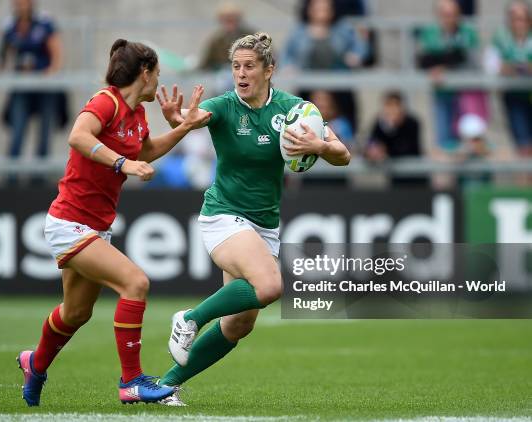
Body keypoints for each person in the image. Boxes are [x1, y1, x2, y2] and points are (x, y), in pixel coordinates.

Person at [155, 32, 350, 405]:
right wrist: (181, 119)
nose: (240, 74)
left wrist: (320, 146)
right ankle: (189, 319)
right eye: (235, 67)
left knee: (238, 324)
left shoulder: (294, 111)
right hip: (223, 216)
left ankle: (165, 386)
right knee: (270, 287)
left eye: (248, 67)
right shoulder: (226, 105)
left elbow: (344, 154)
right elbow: (197, 117)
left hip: (265, 225)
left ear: (269, 70)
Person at [16, 38, 210, 407]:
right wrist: (123, 164)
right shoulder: (106, 101)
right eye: (156, 75)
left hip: (94, 226)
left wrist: (184, 128)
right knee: (135, 283)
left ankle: (34, 363)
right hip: (70, 221)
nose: (158, 83)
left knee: (75, 312)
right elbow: (78, 136)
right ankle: (132, 381)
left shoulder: (136, 116)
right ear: (144, 72)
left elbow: (147, 151)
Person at [283, 0, 368, 133]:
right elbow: (287, 54)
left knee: (346, 114)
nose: (321, 13)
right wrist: (289, 66)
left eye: (325, 8)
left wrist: (356, 56)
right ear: (309, 9)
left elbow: (360, 47)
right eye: (317, 8)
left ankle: (348, 142)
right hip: (308, 82)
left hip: (338, 82)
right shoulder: (299, 31)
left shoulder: (343, 28)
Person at [0, 0, 63, 170]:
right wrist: (2, 67)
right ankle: (11, 178)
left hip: (44, 86)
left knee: (44, 133)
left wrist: (50, 72)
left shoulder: (44, 22)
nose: (22, 4)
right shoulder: (10, 25)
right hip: (22, 87)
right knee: (17, 130)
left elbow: (56, 52)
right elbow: (2, 54)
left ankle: (38, 180)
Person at [416, 0, 481, 151]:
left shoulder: (468, 31)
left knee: (470, 143)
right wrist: (452, 58)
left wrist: (442, 62)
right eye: (445, 14)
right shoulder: (430, 32)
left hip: (466, 96)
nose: (449, 18)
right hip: (442, 94)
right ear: (439, 15)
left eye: (453, 14)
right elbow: (424, 60)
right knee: (445, 144)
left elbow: (470, 60)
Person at [485, 0, 531, 156]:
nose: (519, 23)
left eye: (522, 18)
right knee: (523, 143)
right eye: (515, 18)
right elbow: (491, 64)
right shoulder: (501, 37)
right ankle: (526, 179)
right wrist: (505, 68)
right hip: (513, 95)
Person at [365, 91, 426, 186]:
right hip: (395, 178)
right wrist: (372, 152)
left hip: (416, 177)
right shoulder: (379, 124)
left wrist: (386, 150)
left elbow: (408, 149)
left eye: (395, 105)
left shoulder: (412, 123)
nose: (392, 110)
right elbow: (371, 144)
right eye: (388, 106)